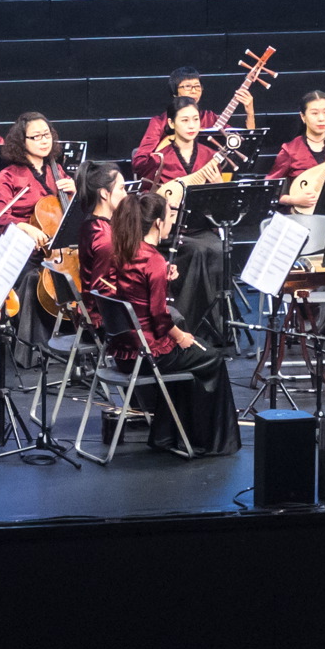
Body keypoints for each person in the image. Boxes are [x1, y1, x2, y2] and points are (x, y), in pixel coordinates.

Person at [85, 185, 236, 454]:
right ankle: (209, 442)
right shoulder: (152, 260)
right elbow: (158, 317)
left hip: (125, 352)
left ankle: (167, 436)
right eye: (169, 217)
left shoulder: (125, 250)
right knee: (212, 359)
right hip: (148, 354)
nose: (172, 223)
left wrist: (160, 278)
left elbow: (132, 291)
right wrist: (181, 336)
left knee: (191, 357)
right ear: (157, 223)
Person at [266, 91, 325, 213]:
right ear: (303, 117)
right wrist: (294, 200)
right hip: (302, 218)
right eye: (314, 113)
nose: (321, 118)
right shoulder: (290, 150)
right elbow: (269, 189)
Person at [0, 113, 71, 235]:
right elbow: (0, 218)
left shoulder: (56, 170)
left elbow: (73, 209)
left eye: (47, 135)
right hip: (22, 240)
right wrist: (25, 227)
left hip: (54, 239)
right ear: (22, 141)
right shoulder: (8, 176)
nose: (44, 141)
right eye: (36, 137)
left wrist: (75, 191)